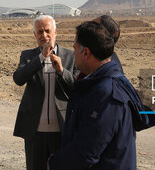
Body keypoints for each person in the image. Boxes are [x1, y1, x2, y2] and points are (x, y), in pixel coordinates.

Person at [47, 21, 138, 170]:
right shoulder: (99, 82)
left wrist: (55, 164)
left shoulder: (106, 93)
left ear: (86, 52)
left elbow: (88, 150)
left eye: (75, 48)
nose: (73, 54)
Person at [13, 15, 77, 170]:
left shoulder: (70, 56)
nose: (44, 35)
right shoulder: (28, 56)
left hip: (61, 129)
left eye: (47, 31)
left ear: (55, 32)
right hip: (35, 130)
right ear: (35, 35)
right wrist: (41, 57)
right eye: (40, 32)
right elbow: (19, 79)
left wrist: (62, 71)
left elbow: (78, 87)